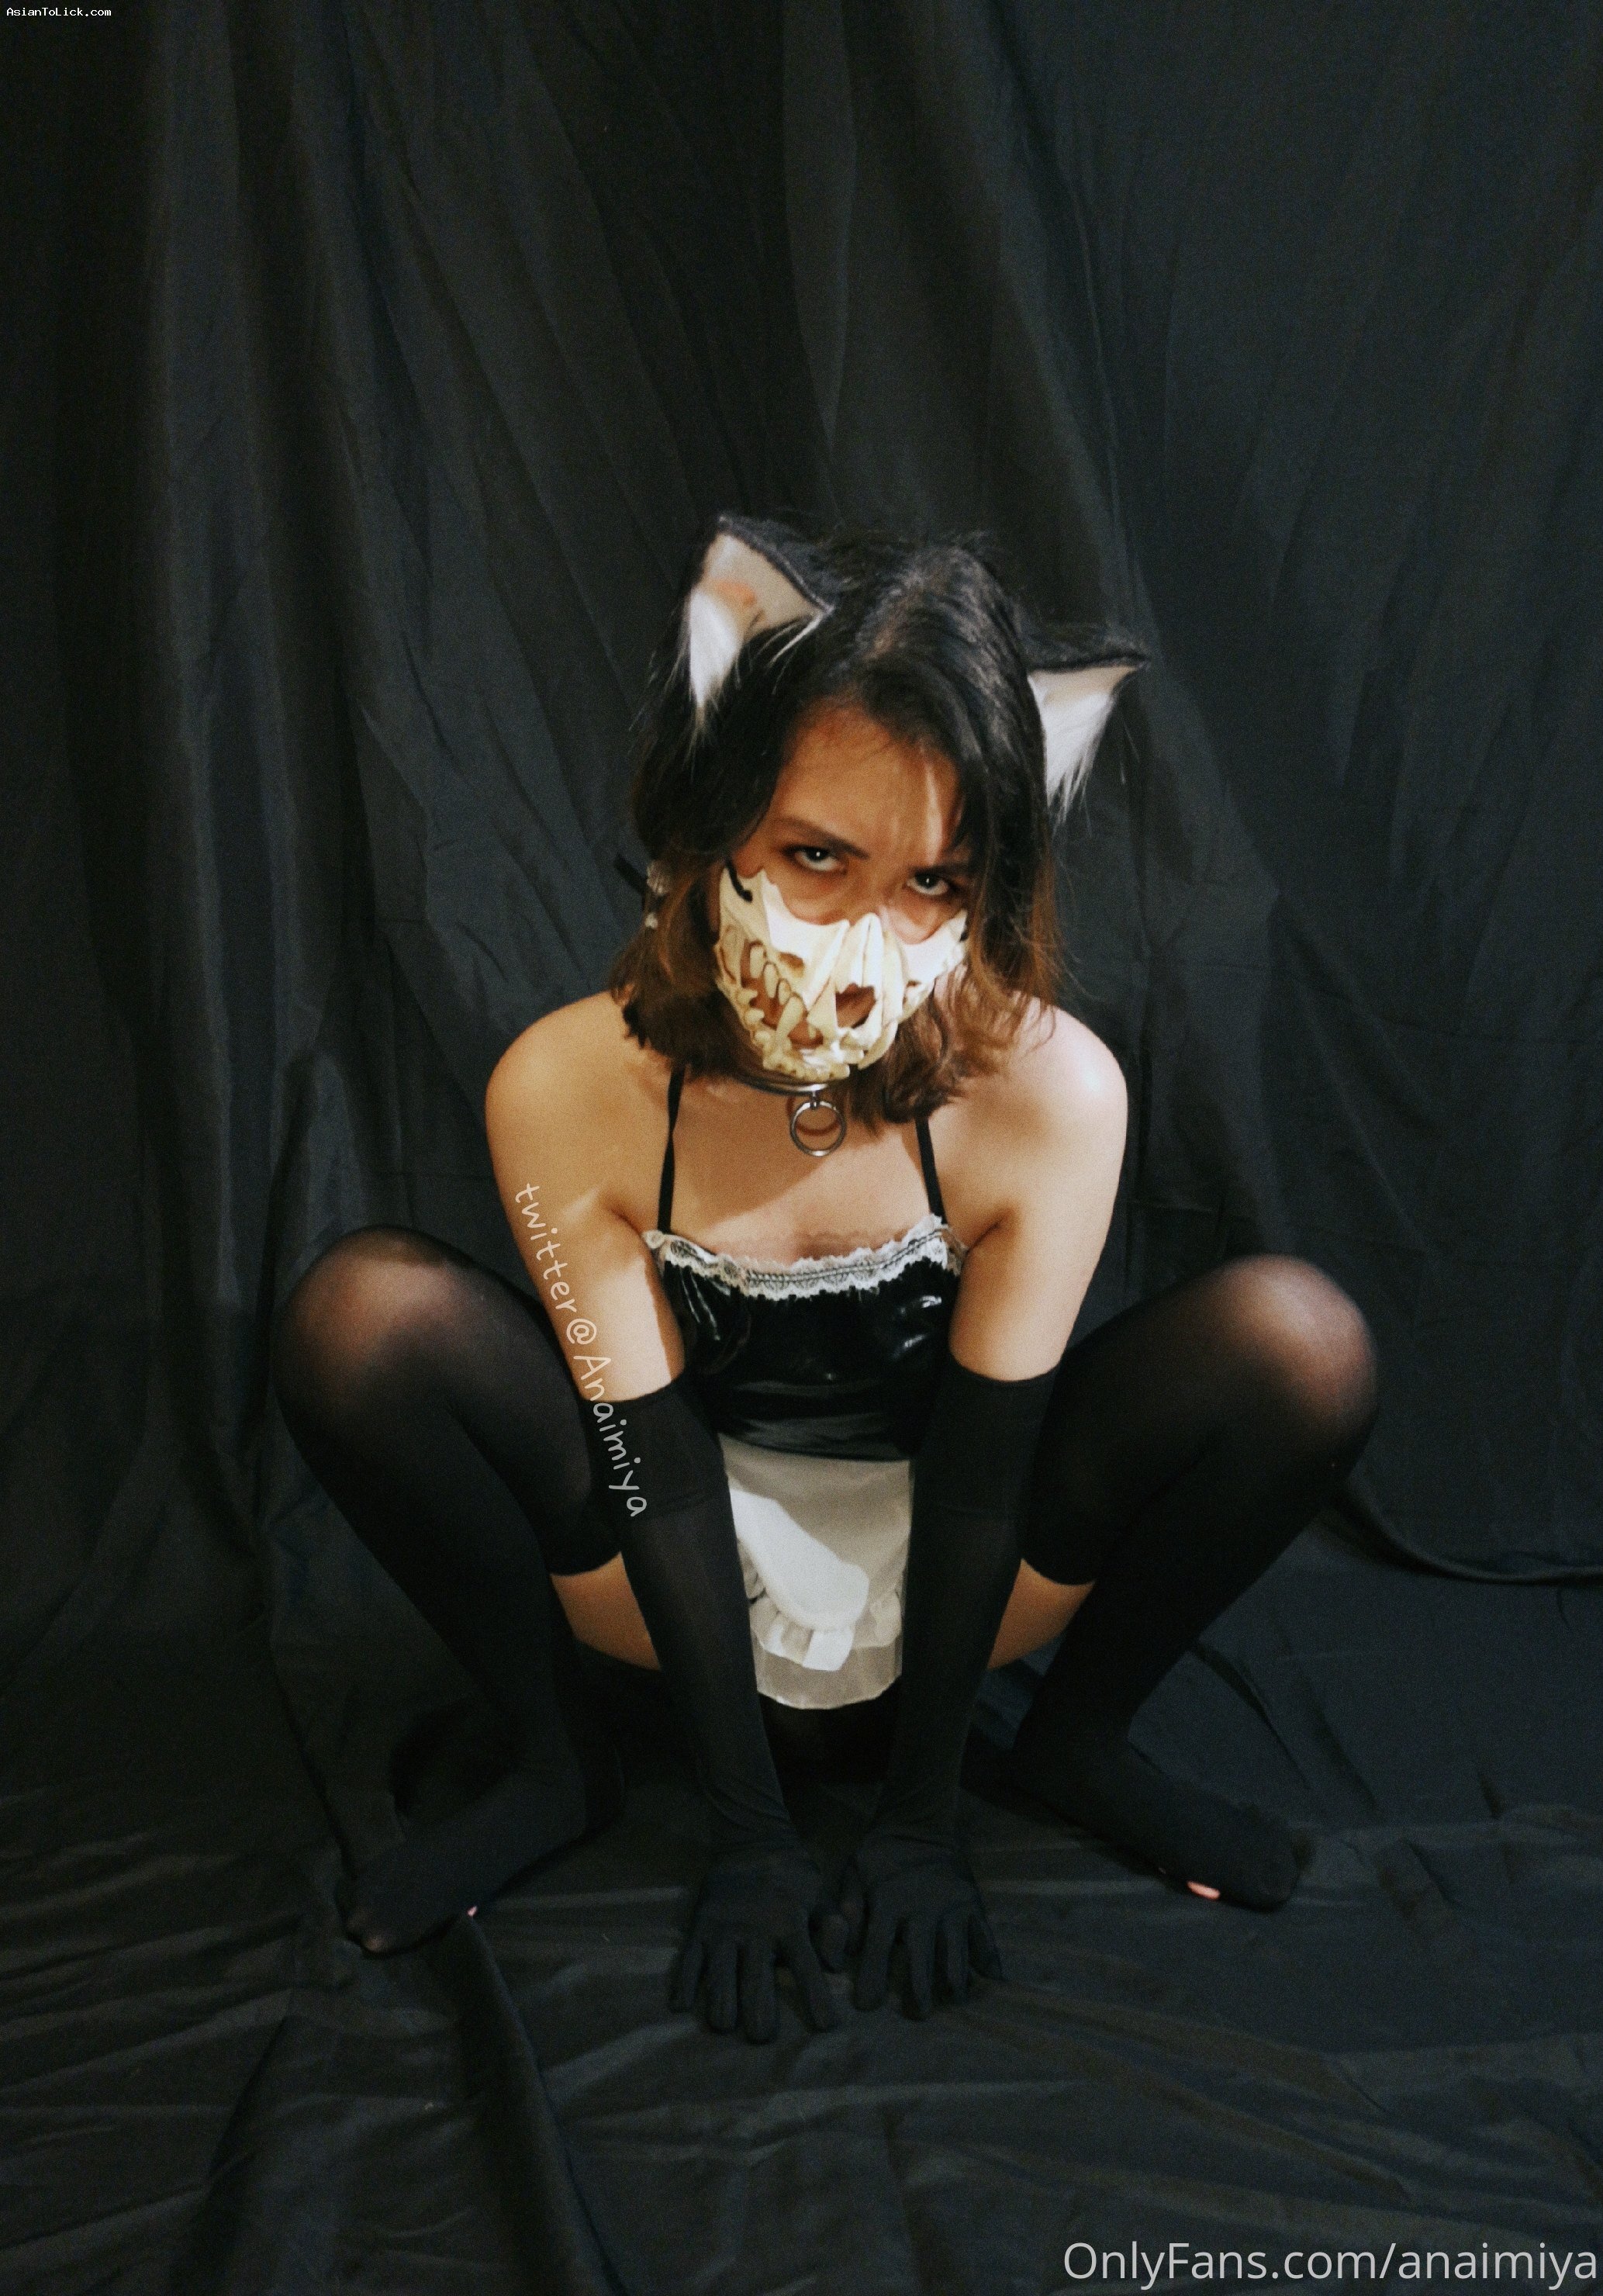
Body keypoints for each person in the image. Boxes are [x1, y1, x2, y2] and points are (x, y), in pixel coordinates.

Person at [271, 514, 1379, 2042]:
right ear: (704, 821)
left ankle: (1076, 1745)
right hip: (668, 1571)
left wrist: (921, 1820)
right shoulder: (568, 1084)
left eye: (935, 879)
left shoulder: (1049, 1090)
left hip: (961, 1566)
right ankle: (557, 1762)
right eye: (814, 856)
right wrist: (750, 1833)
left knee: (1300, 1344)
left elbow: (985, 1481)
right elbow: (649, 1472)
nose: (867, 942)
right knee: (359, 1319)